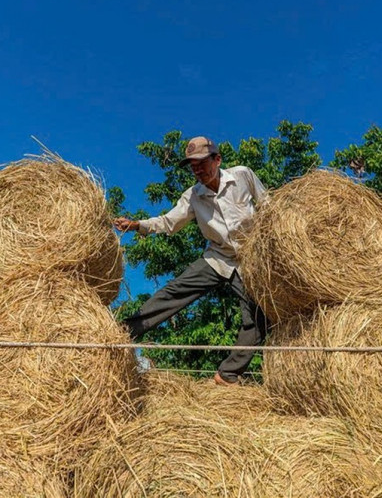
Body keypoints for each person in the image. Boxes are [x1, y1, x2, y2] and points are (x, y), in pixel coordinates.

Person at [113, 136, 269, 386]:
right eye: (192, 166)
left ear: (217, 160)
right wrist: (137, 225)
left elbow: (268, 207)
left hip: (250, 261)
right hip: (217, 257)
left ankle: (228, 374)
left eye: (201, 163)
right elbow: (169, 222)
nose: (197, 170)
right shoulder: (193, 196)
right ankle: (122, 332)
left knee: (257, 317)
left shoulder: (243, 176)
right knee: (175, 292)